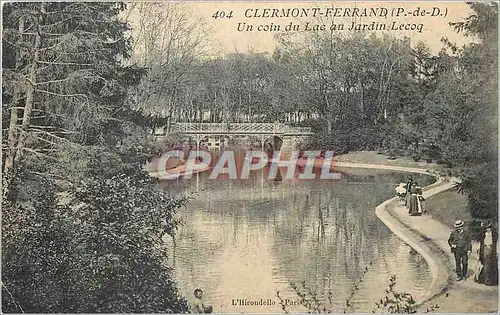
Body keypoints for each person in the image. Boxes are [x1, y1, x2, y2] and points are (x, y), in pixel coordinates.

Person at [476, 221, 498, 285]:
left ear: (491, 228)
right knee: (486, 265)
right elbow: (480, 243)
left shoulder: (494, 235)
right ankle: (487, 280)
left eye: (489, 228)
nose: (487, 229)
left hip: (492, 250)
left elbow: (496, 243)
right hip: (485, 249)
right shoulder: (483, 235)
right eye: (486, 228)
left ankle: (491, 280)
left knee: (492, 265)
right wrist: (478, 250)